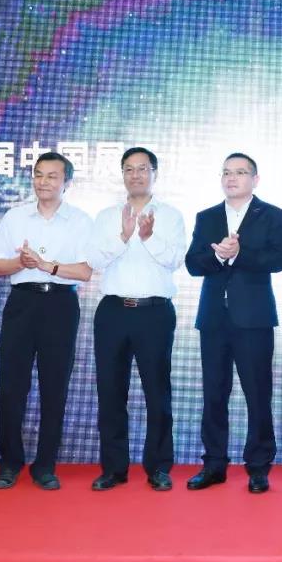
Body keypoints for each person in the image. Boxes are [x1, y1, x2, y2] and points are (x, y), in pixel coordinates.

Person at [185, 153, 282, 494]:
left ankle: (258, 467)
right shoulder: (207, 216)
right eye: (227, 172)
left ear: (255, 179)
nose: (232, 178)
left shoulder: (271, 214)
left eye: (240, 172)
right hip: (214, 319)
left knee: (257, 394)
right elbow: (193, 263)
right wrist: (218, 255)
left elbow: (278, 259)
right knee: (214, 394)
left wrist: (239, 253)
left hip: (254, 319)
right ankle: (214, 464)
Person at [0, 152, 93, 491]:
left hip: (61, 305)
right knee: (10, 388)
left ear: (67, 182)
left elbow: (85, 272)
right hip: (22, 302)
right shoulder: (15, 216)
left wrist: (47, 265)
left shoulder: (80, 221)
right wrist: (22, 262)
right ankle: (9, 462)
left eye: (52, 176)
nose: (43, 182)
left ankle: (45, 465)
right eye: (38, 174)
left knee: (54, 387)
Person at [86, 147, 186, 492]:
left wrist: (148, 237)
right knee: (110, 392)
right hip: (113, 312)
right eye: (129, 169)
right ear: (122, 175)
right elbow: (94, 260)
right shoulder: (106, 216)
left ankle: (158, 467)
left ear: (154, 173)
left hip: (154, 313)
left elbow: (175, 260)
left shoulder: (170, 216)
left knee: (157, 393)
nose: (136, 175)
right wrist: (123, 236)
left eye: (143, 169)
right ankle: (114, 468)